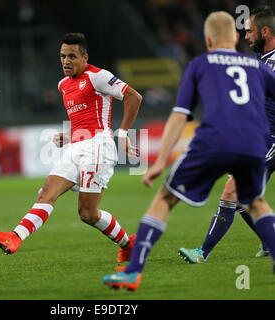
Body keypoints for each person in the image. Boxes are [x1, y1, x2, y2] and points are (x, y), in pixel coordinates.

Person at [102, 11, 275, 291]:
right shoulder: (259, 67)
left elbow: (180, 115)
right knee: (256, 202)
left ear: (207, 40)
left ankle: (133, 271)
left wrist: (159, 162)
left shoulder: (200, 64)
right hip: (253, 143)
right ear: (233, 37)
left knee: (165, 198)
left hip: (214, 141)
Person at [0, 33, 142, 264]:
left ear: (84, 57)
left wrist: (124, 134)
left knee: (88, 214)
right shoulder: (63, 85)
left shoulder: (98, 77)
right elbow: (83, 121)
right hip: (76, 147)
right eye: (62, 56)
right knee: (46, 192)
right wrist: (67, 136)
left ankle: (128, 245)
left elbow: (134, 97)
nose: (66, 61)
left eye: (72, 56)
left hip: (98, 148)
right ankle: (14, 237)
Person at [178, 6, 275, 264]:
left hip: (270, 141)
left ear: (266, 31)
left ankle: (202, 253)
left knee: (230, 192)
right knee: (245, 199)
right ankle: (269, 241)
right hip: (252, 138)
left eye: (250, 31)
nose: (246, 36)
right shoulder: (258, 62)